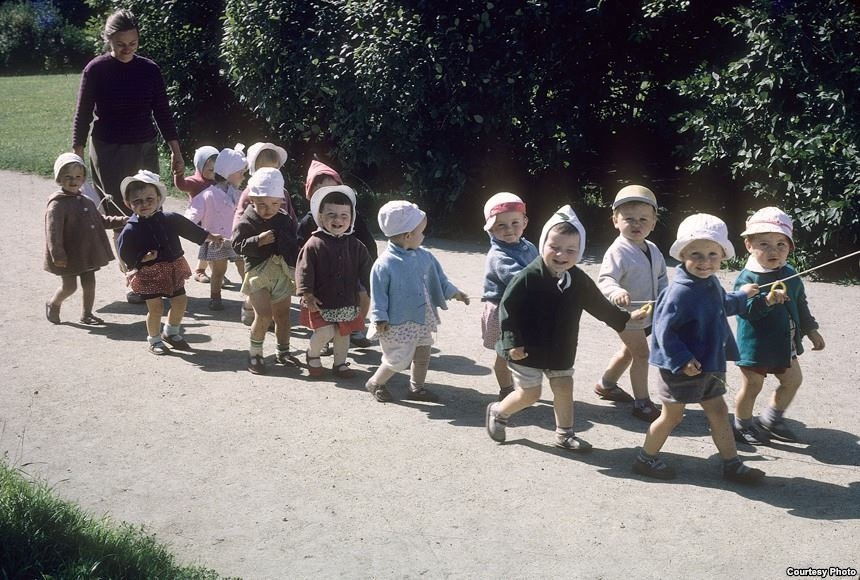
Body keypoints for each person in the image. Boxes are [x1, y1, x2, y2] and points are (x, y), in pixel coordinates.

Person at [485, 205, 645, 450]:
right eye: (555, 247)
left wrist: (625, 319)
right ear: (543, 246)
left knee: (563, 387)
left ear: (579, 252)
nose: (562, 255)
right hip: (526, 349)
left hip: (561, 348)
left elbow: (599, 305)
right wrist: (512, 344)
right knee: (530, 394)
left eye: (571, 250)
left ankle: (564, 435)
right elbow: (508, 309)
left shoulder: (578, 279)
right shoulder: (528, 276)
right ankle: (498, 412)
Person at [632, 213, 765, 483]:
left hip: (709, 363)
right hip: (681, 367)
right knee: (672, 415)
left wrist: (742, 296)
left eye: (713, 254)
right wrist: (682, 359)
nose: (705, 262)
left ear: (722, 255)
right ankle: (645, 458)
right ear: (682, 254)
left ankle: (732, 464)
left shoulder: (710, 282)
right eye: (696, 254)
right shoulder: (680, 291)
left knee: (717, 411)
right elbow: (663, 330)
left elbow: (721, 305)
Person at [71, 9, 184, 303]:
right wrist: (77, 154)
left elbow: (162, 112)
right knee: (123, 215)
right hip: (108, 148)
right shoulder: (96, 70)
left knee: (150, 208)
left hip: (144, 145)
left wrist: (175, 150)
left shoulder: (149, 70)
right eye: (121, 44)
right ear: (108, 39)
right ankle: (133, 278)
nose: (127, 49)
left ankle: (157, 274)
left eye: (133, 43)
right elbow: (82, 114)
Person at [732, 207, 825, 445]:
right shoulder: (748, 278)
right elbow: (745, 311)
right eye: (764, 244)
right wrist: (767, 301)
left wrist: (811, 330)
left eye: (780, 244)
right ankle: (741, 425)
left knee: (793, 380)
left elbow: (800, 305)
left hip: (785, 342)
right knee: (752, 386)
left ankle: (770, 420)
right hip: (756, 345)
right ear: (749, 245)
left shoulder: (790, 274)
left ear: (790, 247)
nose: (773, 250)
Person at [366, 201, 470, 402]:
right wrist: (379, 318)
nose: (424, 236)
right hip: (397, 323)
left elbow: (440, 280)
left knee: (423, 353)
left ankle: (417, 388)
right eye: (421, 232)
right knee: (398, 359)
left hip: (422, 318)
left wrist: (455, 293)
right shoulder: (384, 264)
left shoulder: (425, 257)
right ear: (407, 236)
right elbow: (378, 294)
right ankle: (375, 382)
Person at [116, 170, 221, 355]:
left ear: (158, 199)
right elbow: (124, 251)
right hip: (149, 273)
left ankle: (170, 332)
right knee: (156, 308)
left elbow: (190, 229)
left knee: (180, 302)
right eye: (137, 201)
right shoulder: (131, 229)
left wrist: (210, 236)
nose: (144, 204)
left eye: (149, 199)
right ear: (128, 203)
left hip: (172, 267)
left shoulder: (169, 218)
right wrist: (141, 258)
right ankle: (154, 340)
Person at [595, 185, 667, 422]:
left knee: (628, 352)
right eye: (629, 219)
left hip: (647, 314)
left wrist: (667, 298)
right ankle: (642, 402)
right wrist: (616, 291)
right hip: (626, 316)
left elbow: (662, 279)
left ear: (654, 222)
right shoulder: (618, 251)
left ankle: (606, 384)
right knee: (641, 354)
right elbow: (605, 279)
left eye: (643, 219)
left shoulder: (653, 249)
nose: (637, 224)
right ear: (615, 220)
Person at [298, 159, 378, 348]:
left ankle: (355, 328)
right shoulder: (308, 221)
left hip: (350, 271)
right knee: (320, 307)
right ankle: (323, 339)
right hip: (321, 277)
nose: (338, 219)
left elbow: (367, 244)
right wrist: (303, 286)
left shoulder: (351, 216)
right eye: (321, 192)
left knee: (362, 296)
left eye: (333, 190)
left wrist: (372, 276)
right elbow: (300, 249)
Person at [295, 185, 373, 378]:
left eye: (344, 216)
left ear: (352, 218)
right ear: (320, 216)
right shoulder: (314, 244)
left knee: (343, 333)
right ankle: (312, 354)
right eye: (331, 214)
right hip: (321, 301)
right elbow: (304, 270)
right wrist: (307, 294)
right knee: (325, 331)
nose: (338, 220)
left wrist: (376, 288)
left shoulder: (356, 245)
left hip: (347, 300)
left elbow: (368, 271)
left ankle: (340, 363)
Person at [231, 168, 301, 375]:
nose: (268, 209)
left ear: (282, 201)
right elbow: (236, 244)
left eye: (274, 204)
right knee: (263, 315)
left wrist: (296, 264)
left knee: (283, 316)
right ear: (252, 199)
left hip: (280, 273)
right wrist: (257, 241)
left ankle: (283, 351)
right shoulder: (248, 219)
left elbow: (294, 245)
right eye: (261, 204)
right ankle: (255, 354)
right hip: (257, 274)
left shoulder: (285, 218)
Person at [44, 153, 127, 325]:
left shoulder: (86, 200)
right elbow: (53, 232)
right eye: (68, 176)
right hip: (68, 255)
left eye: (78, 176)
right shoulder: (57, 205)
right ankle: (53, 303)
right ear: (59, 178)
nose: (74, 180)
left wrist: (122, 220)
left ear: (83, 179)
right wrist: (57, 254)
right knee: (70, 286)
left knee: (89, 283)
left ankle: (86, 314)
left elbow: (101, 221)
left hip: (87, 252)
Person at [480, 192, 538, 401]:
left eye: (515, 223)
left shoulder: (528, 246)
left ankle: (524, 387)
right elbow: (519, 279)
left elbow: (540, 266)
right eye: (501, 226)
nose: (509, 230)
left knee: (520, 350)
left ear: (525, 221)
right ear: (491, 229)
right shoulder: (498, 255)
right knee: (504, 353)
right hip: (502, 311)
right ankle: (506, 389)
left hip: (521, 308)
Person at [232, 142, 295, 325]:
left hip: (276, 248)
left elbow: (290, 214)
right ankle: (249, 306)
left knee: (274, 282)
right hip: (255, 248)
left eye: (273, 168)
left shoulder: (281, 193)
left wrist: (294, 235)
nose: (269, 172)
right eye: (263, 167)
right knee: (256, 283)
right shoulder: (251, 192)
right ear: (254, 168)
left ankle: (270, 313)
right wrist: (239, 232)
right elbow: (240, 213)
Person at [185, 146, 247, 310]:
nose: (243, 175)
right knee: (219, 271)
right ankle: (215, 297)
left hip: (236, 238)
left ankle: (250, 295)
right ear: (228, 173)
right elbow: (191, 215)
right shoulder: (208, 195)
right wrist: (194, 229)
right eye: (240, 172)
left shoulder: (239, 194)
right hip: (217, 239)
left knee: (243, 267)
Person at [175, 145, 218, 284]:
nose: (213, 173)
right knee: (210, 245)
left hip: (214, 219)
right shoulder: (195, 182)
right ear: (200, 166)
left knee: (213, 245)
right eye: (210, 170)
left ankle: (213, 271)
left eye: (216, 170)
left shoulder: (218, 181)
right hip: (201, 220)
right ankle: (205, 271)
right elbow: (182, 185)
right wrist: (178, 173)